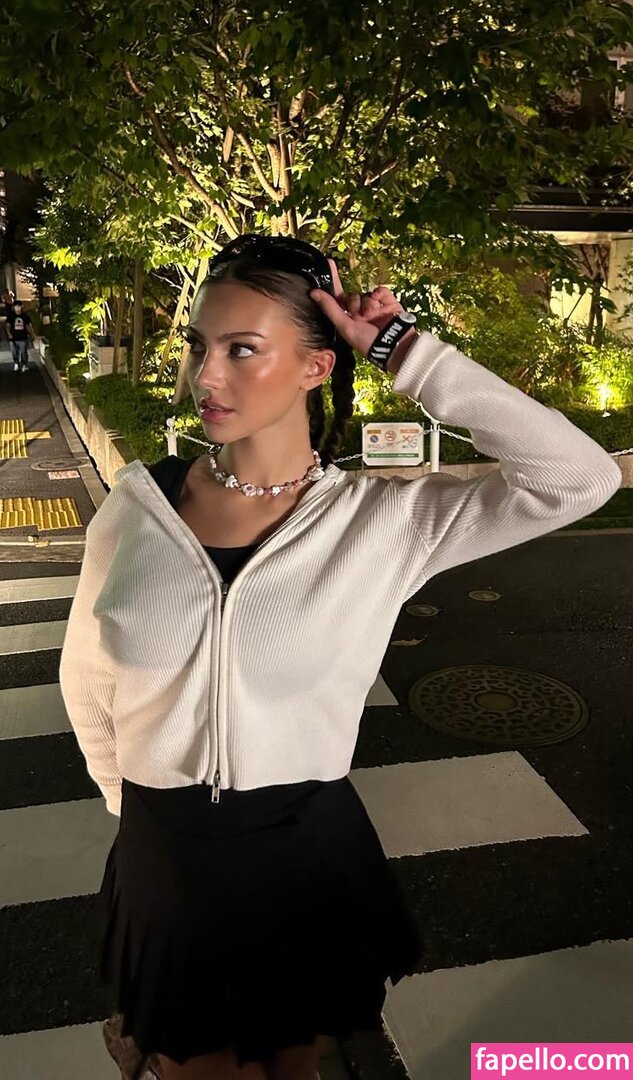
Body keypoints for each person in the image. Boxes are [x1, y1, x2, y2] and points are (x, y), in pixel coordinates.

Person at [58, 234, 621, 1080]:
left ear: (315, 367)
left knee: (295, 1067)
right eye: (198, 346)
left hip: (303, 850)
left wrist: (401, 350)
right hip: (166, 850)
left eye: (242, 350)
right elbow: (87, 678)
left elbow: (576, 478)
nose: (205, 376)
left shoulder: (383, 520)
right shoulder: (137, 507)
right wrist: (133, 809)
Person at [7, 300, 35, 371]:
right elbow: (8, 325)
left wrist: (32, 334)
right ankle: (16, 363)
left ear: (21, 307)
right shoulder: (11, 316)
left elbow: (28, 326)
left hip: (23, 337)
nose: (17, 308)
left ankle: (24, 364)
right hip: (13, 338)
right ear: (14, 307)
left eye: (19, 306)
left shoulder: (25, 316)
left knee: (23, 352)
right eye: (16, 306)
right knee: (14, 352)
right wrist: (9, 333)